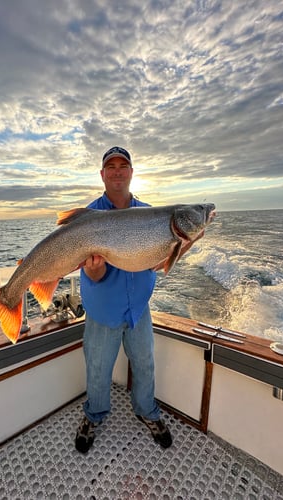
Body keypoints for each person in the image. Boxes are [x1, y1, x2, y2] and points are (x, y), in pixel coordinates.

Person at [75, 146, 172, 453]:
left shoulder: (152, 215)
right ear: (103, 174)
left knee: (144, 365)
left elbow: (161, 258)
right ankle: (94, 416)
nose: (117, 170)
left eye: (123, 165)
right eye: (111, 166)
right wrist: (95, 270)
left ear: (131, 172)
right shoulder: (88, 216)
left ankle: (147, 412)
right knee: (98, 369)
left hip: (139, 309)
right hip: (103, 311)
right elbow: (91, 276)